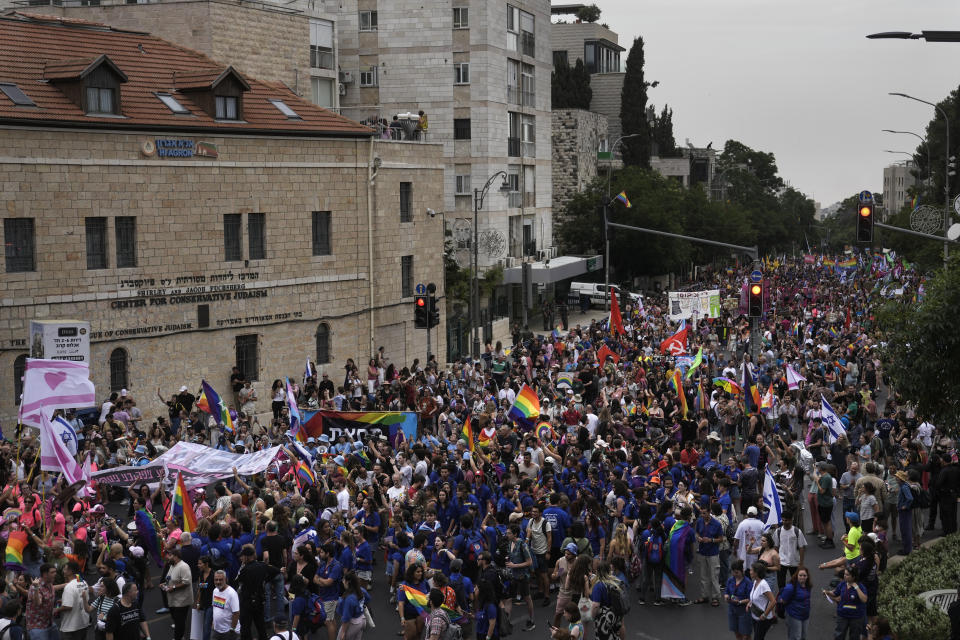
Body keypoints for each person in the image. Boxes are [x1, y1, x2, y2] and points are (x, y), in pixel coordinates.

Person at [235, 544, 280, 640]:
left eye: (242, 556)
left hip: (246, 601)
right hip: (259, 600)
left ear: (247, 556)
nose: (241, 558)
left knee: (246, 627)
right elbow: (276, 571)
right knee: (260, 625)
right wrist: (266, 580)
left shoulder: (245, 569)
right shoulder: (262, 565)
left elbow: (238, 582)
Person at [500, 524, 535, 631]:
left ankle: (531, 620)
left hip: (522, 576)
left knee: (527, 598)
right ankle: (507, 622)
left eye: (509, 533)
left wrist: (514, 565)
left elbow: (529, 562)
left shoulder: (522, 545)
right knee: (509, 598)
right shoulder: (510, 542)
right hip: (513, 576)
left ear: (515, 534)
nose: (507, 534)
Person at [823, 566, 868, 640]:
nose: (844, 576)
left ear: (853, 577)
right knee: (839, 635)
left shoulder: (861, 586)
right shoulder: (843, 584)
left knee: (854, 637)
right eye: (844, 574)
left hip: (856, 617)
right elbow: (835, 593)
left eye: (847, 575)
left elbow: (864, 599)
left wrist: (856, 587)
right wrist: (827, 592)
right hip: (842, 615)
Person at [693, 507, 724, 606]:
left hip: (713, 553)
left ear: (710, 513)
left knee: (714, 576)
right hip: (702, 552)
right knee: (703, 576)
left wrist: (711, 540)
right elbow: (696, 532)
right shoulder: (700, 522)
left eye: (704, 513)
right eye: (701, 513)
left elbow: (721, 538)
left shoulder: (717, 524)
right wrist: (698, 537)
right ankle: (704, 596)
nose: (703, 515)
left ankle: (716, 597)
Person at [162, 548, 193, 640]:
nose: (168, 557)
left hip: (182, 600)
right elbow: (170, 578)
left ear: (176, 556)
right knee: (176, 619)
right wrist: (164, 584)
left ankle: (178, 638)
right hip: (173, 600)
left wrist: (174, 587)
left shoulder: (183, 566)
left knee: (179, 622)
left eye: (170, 555)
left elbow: (186, 582)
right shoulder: (172, 565)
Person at [590, 562, 625, 640]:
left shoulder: (598, 586)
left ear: (597, 571)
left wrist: (592, 616)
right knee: (615, 635)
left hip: (604, 617)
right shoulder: (617, 582)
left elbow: (596, 605)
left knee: (603, 636)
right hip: (617, 613)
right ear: (609, 571)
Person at [57, 561, 89, 640]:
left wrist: (55, 610)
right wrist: (65, 599)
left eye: (65, 569)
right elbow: (80, 595)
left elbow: (68, 607)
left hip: (71, 626)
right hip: (83, 623)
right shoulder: (83, 582)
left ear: (70, 572)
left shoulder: (69, 586)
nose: (63, 571)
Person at [778, 566, 811, 640]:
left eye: (804, 575)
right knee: (796, 637)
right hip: (794, 616)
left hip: (805, 616)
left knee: (803, 637)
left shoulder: (808, 586)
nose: (802, 577)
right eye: (800, 575)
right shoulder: (790, 588)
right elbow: (782, 600)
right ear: (796, 576)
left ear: (807, 576)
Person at [26, 563, 57, 640]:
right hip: (38, 627)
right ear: (45, 574)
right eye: (52, 572)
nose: (55, 574)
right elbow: (38, 602)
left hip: (49, 623)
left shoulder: (49, 583)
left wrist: (67, 584)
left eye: (55, 572)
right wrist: (36, 588)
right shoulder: (35, 587)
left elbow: (52, 588)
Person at [724, 559, 752, 640]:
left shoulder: (747, 582)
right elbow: (727, 592)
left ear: (742, 571)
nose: (734, 574)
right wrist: (726, 596)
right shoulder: (730, 580)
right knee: (736, 632)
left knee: (746, 635)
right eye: (733, 572)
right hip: (732, 610)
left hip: (743, 611)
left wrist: (740, 601)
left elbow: (751, 598)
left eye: (737, 572)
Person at [335, 572, 369, 640]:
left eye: (343, 580)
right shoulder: (361, 590)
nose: (343, 582)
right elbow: (368, 598)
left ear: (348, 582)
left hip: (353, 623)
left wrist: (343, 632)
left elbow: (346, 618)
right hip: (362, 620)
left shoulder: (349, 598)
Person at [746, 561, 776, 640]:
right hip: (755, 616)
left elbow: (773, 601)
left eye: (752, 570)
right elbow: (754, 596)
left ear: (757, 572)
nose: (750, 571)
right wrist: (749, 603)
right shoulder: (755, 581)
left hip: (763, 619)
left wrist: (764, 615)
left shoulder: (763, 585)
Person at [210, 570, 240, 640]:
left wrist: (232, 630)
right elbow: (215, 608)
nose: (218, 582)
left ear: (225, 580)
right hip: (216, 630)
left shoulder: (232, 593)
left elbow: (236, 613)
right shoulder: (215, 591)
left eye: (220, 580)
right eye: (216, 580)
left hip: (228, 632)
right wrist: (213, 624)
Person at [194, 556, 215, 640]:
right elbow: (200, 589)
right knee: (205, 624)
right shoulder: (201, 574)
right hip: (204, 603)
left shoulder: (213, 575)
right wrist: (198, 602)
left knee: (206, 626)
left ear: (206, 564)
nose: (198, 565)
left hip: (211, 604)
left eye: (200, 563)